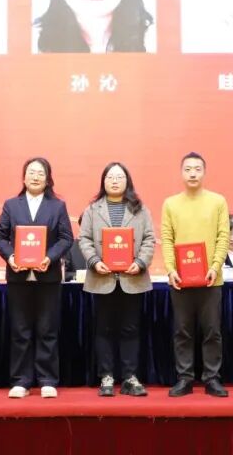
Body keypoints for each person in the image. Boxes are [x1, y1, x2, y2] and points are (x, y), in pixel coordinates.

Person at [0, 157, 74, 398]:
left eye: (40, 173)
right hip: (18, 276)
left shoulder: (57, 206)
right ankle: (21, 380)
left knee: (47, 329)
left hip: (48, 277)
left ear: (48, 179)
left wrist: (50, 257)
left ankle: (47, 379)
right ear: (24, 177)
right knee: (20, 330)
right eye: (31, 172)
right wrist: (10, 257)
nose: (35, 176)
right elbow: (0, 236)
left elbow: (66, 238)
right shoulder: (11, 205)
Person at [77, 162, 155, 397]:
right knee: (104, 328)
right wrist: (94, 261)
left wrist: (140, 262)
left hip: (132, 278)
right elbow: (84, 239)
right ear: (103, 181)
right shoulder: (93, 209)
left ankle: (130, 377)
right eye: (110, 177)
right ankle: (107, 376)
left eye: (119, 177)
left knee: (130, 328)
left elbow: (149, 239)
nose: (114, 181)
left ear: (127, 181)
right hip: (102, 278)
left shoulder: (140, 209)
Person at [161, 152, 230, 398]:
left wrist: (215, 266)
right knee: (182, 331)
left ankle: (212, 378)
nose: (192, 173)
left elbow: (223, 236)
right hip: (180, 280)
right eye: (188, 169)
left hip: (211, 279)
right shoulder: (170, 204)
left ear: (204, 172)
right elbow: (167, 239)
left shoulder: (218, 201)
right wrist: (171, 270)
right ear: (181, 173)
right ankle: (185, 378)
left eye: (197, 169)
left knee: (212, 331)